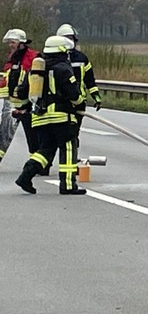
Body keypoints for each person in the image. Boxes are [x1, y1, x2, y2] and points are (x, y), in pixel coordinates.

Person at [14, 35, 86, 195]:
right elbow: (73, 94)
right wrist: (80, 104)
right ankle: (68, 185)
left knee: (46, 149)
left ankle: (26, 176)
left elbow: (22, 92)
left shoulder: (36, 68)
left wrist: (26, 107)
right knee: (68, 146)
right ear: (62, 51)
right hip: (61, 117)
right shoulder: (63, 69)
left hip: (39, 117)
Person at [57, 24, 101, 159]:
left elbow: (89, 80)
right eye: (66, 38)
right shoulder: (54, 58)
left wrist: (96, 96)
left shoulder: (82, 58)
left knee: (74, 133)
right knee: (60, 134)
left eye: (71, 38)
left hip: (79, 102)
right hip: (60, 103)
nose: (69, 41)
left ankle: (72, 158)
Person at [2, 29, 39, 165]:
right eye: (9, 43)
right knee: (4, 135)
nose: (10, 45)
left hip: (28, 105)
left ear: (21, 43)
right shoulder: (12, 59)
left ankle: (37, 165)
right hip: (12, 104)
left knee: (33, 137)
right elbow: (7, 81)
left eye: (13, 42)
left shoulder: (34, 58)